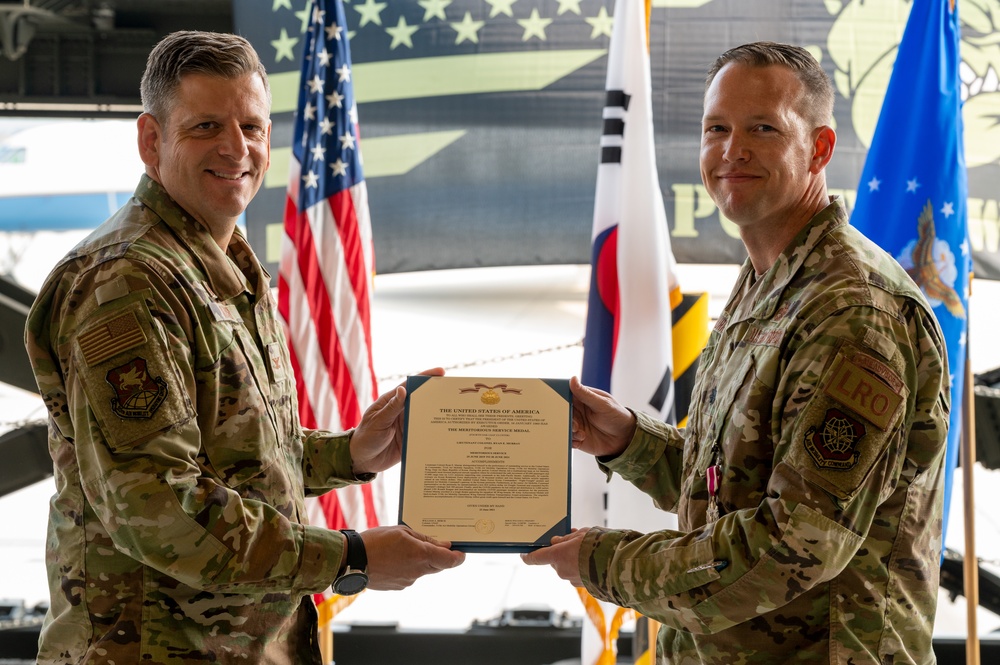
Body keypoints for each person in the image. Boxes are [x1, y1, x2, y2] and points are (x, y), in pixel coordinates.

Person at [24, 31, 464, 664]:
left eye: (252, 128)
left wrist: (353, 454)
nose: (237, 149)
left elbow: (238, 452)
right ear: (152, 141)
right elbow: (161, 507)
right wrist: (351, 558)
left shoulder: (222, 261)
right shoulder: (126, 282)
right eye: (206, 126)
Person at [523, 41, 950, 663]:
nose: (732, 150)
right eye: (716, 128)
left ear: (820, 149)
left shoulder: (852, 312)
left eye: (763, 129)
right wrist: (626, 441)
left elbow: (790, 547)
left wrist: (602, 560)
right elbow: (732, 489)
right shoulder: (771, 280)